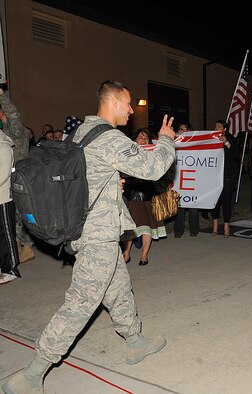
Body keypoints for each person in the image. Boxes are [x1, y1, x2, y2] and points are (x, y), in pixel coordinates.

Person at [2, 80, 176, 394]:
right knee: (81, 304)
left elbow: (86, 176)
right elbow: (153, 167)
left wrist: (112, 184)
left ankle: (135, 340)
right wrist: (165, 140)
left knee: (118, 287)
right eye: (127, 103)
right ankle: (30, 375)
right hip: (97, 236)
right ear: (114, 101)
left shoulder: (81, 132)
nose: (130, 109)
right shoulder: (109, 138)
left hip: (89, 229)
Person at [122, 128, 170, 265]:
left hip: (150, 196)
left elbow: (162, 176)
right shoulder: (128, 156)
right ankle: (127, 253)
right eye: (140, 138)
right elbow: (126, 176)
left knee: (147, 227)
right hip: (133, 197)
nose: (143, 141)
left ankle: (144, 255)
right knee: (130, 228)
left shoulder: (155, 156)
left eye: (146, 138)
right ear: (134, 141)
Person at [0, 88, 34, 264]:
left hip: (20, 179)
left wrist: (1, 96)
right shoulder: (6, 132)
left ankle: (26, 247)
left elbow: (14, 115)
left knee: (20, 215)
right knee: (15, 216)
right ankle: (23, 246)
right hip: (13, 178)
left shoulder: (17, 132)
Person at [210, 120, 239, 238]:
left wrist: (226, 142)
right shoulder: (211, 138)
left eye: (219, 126)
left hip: (229, 175)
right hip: (215, 175)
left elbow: (236, 154)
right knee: (215, 200)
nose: (216, 128)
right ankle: (215, 225)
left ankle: (226, 224)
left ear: (225, 129)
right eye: (215, 126)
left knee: (226, 200)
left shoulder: (231, 139)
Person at [0, 128, 20, 284]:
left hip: (4, 198)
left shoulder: (4, 148)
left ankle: (11, 269)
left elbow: (3, 174)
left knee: (6, 235)